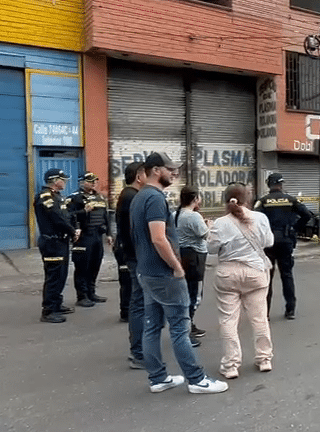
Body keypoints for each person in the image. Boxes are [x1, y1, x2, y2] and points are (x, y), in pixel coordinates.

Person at [130, 152, 227, 394]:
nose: (175, 173)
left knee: (152, 327)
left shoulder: (139, 197)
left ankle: (158, 378)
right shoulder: (154, 198)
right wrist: (176, 266)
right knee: (179, 328)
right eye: (170, 169)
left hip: (147, 272)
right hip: (164, 275)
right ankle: (196, 379)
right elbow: (158, 238)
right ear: (155, 170)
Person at [209, 183, 275, 379]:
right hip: (255, 272)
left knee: (228, 320)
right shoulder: (260, 218)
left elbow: (210, 249)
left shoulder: (220, 223)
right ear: (247, 199)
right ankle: (264, 359)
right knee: (259, 318)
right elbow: (269, 242)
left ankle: (230, 365)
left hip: (227, 274)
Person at [254, 173, 311, 320]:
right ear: (281, 184)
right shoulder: (291, 200)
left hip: (269, 243)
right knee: (287, 275)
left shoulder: (263, 201)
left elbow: (254, 220)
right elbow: (307, 215)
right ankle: (290, 310)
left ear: (269, 184)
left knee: (267, 277)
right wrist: (295, 229)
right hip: (286, 241)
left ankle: (265, 313)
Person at [34, 168, 80, 323]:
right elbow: (57, 218)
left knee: (61, 275)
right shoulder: (45, 197)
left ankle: (56, 304)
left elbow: (67, 216)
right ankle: (48, 311)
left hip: (61, 241)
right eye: (63, 179)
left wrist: (74, 229)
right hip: (52, 242)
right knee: (53, 276)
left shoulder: (58, 197)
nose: (65, 182)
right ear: (54, 180)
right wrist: (73, 230)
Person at [114, 161, 146, 369]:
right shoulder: (131, 197)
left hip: (132, 254)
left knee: (140, 301)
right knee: (139, 302)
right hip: (136, 256)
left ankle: (141, 349)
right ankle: (139, 353)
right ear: (139, 176)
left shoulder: (128, 196)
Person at [67, 172, 112, 308]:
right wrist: (83, 212)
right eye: (89, 181)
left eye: (94, 181)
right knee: (82, 266)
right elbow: (68, 216)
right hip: (83, 237)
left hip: (97, 236)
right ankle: (82, 296)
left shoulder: (99, 197)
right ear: (81, 182)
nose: (93, 183)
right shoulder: (75, 198)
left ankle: (91, 292)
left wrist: (109, 234)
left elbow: (106, 216)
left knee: (95, 264)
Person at [175, 186, 210, 348]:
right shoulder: (193, 216)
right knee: (194, 294)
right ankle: (186, 330)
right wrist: (208, 224)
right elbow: (205, 234)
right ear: (195, 198)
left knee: (186, 291)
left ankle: (189, 325)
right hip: (195, 256)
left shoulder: (175, 214)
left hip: (182, 255)